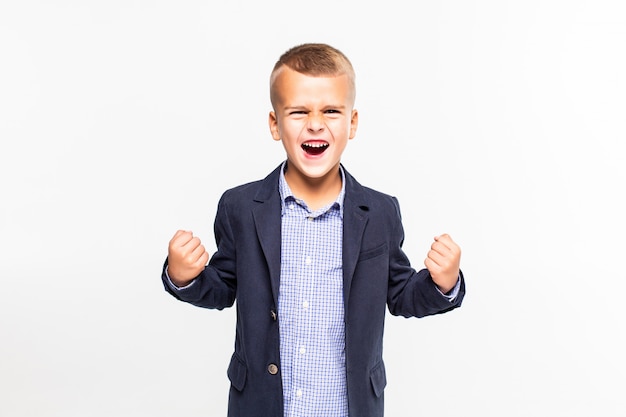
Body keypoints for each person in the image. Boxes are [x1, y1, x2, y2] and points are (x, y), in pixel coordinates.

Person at [161, 43, 466, 417]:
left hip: (347, 407)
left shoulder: (380, 213)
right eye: (299, 111)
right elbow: (223, 287)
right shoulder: (240, 208)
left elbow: (401, 294)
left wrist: (443, 283)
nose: (316, 124)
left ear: (352, 123)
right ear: (275, 124)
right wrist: (183, 277)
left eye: (332, 111)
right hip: (262, 406)